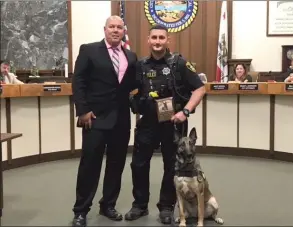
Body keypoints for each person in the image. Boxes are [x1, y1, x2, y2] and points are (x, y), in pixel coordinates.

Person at [125, 24, 205, 224]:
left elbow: (200, 89)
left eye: (162, 38)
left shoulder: (179, 63)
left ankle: (167, 207)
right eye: (154, 38)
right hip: (148, 123)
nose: (158, 42)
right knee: (138, 164)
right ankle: (140, 205)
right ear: (148, 40)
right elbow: (128, 89)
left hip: (173, 124)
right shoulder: (140, 66)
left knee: (171, 166)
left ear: (168, 40)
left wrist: (185, 111)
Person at [71, 15, 137, 227]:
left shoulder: (131, 56)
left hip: (121, 120)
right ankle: (81, 210)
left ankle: (108, 205)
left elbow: (133, 86)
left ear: (124, 31)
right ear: (105, 29)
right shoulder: (88, 50)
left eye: (119, 27)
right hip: (95, 118)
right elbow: (78, 81)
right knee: (90, 165)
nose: (116, 30)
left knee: (116, 165)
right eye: (112, 27)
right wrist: (82, 110)